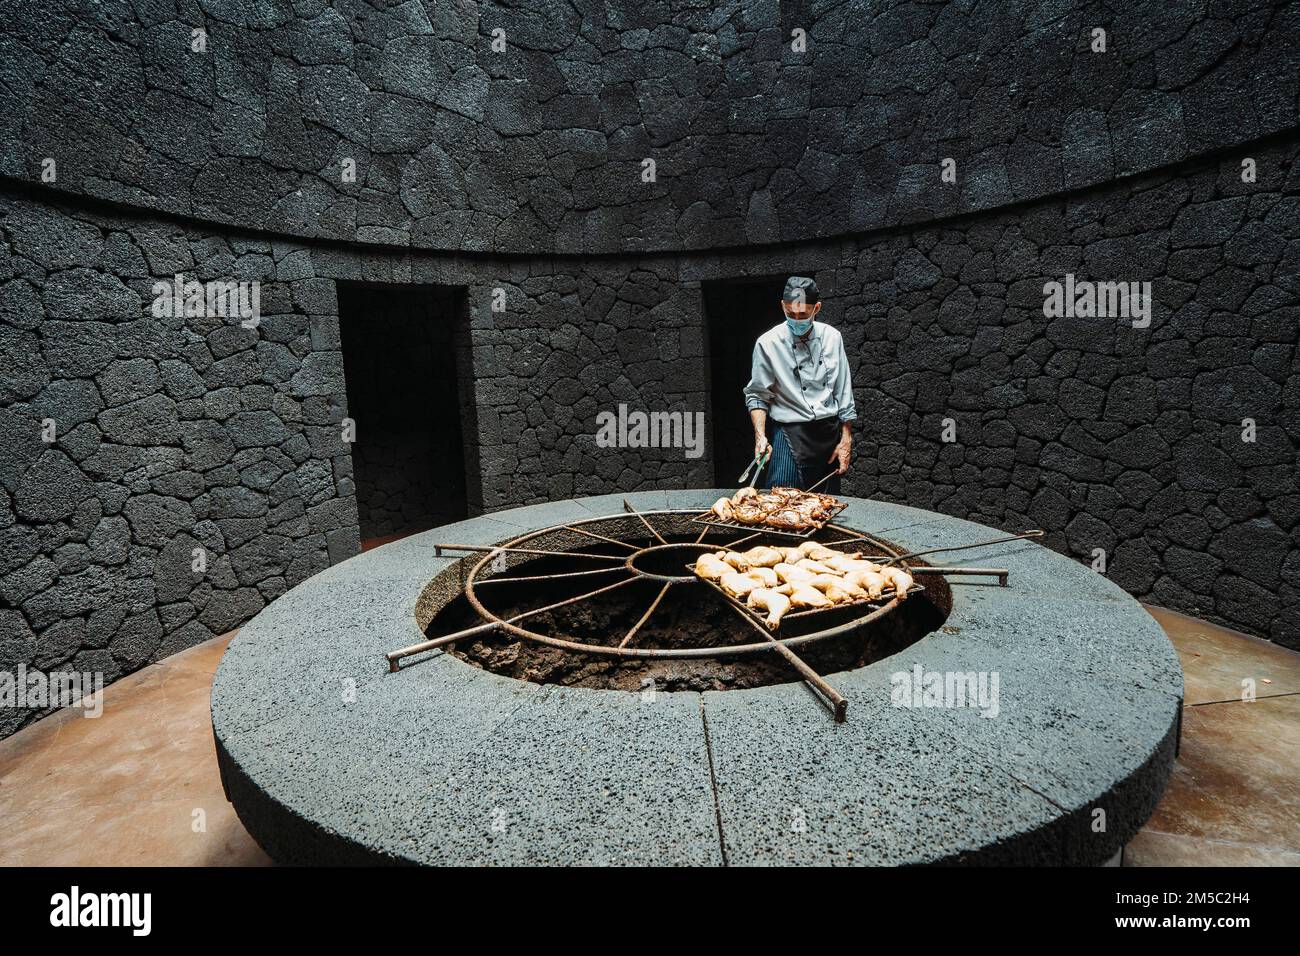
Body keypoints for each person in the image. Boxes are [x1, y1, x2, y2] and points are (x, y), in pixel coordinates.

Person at [743, 276, 855, 494]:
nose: (796, 319)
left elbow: (844, 392)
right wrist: (760, 435)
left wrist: (846, 440)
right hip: (790, 434)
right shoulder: (768, 342)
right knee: (780, 504)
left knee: (824, 509)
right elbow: (757, 395)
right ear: (782, 306)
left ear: (817, 308)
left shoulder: (833, 337)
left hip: (828, 433)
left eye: (803, 315)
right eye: (790, 313)